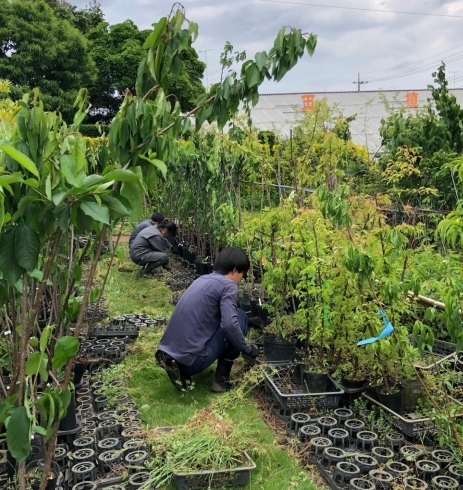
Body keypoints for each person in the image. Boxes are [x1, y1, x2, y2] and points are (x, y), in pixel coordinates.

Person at [155, 246, 260, 392]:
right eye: (243, 272)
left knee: (239, 317)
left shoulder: (203, 279)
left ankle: (179, 369)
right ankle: (221, 381)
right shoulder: (229, 285)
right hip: (191, 363)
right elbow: (230, 325)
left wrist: (249, 322)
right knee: (239, 316)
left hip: (169, 355)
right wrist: (247, 349)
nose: (242, 278)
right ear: (235, 270)